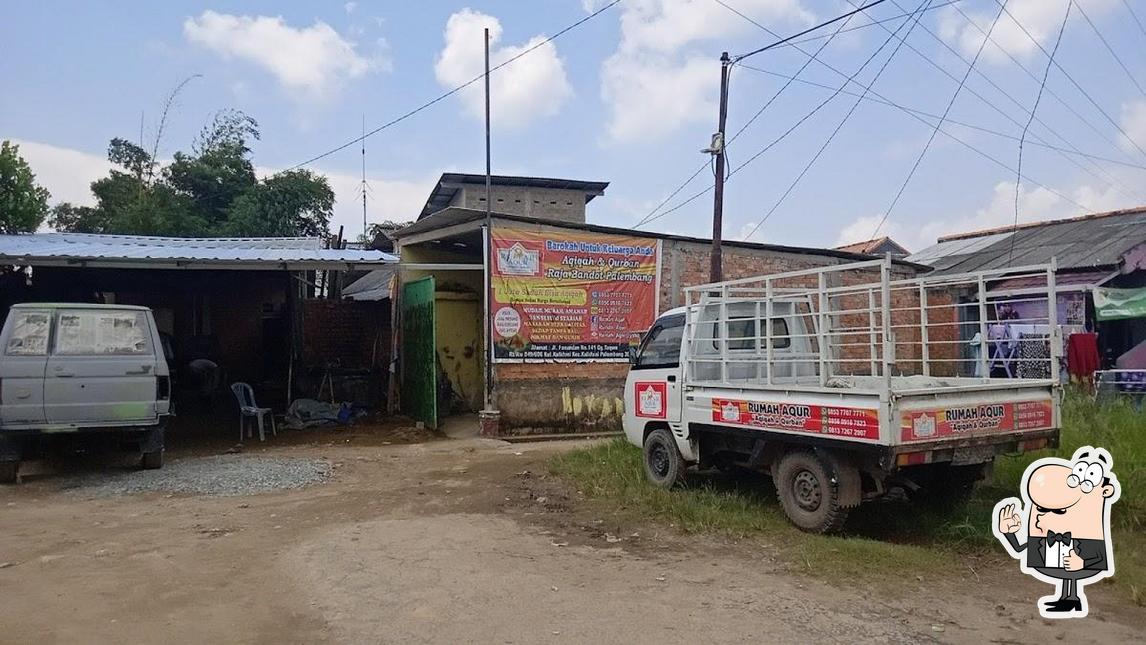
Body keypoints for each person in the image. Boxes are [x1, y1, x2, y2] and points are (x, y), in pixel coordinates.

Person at [994, 446, 1121, 618]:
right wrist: (1008, 532)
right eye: (1040, 509)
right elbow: (1019, 550)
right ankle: (1067, 598)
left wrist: (1082, 563)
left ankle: (1072, 599)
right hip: (1054, 561)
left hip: (1079, 561)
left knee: (1072, 573)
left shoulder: (1088, 538)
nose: (1041, 517)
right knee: (1067, 574)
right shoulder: (1042, 538)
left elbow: (1098, 558)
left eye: (1059, 511)